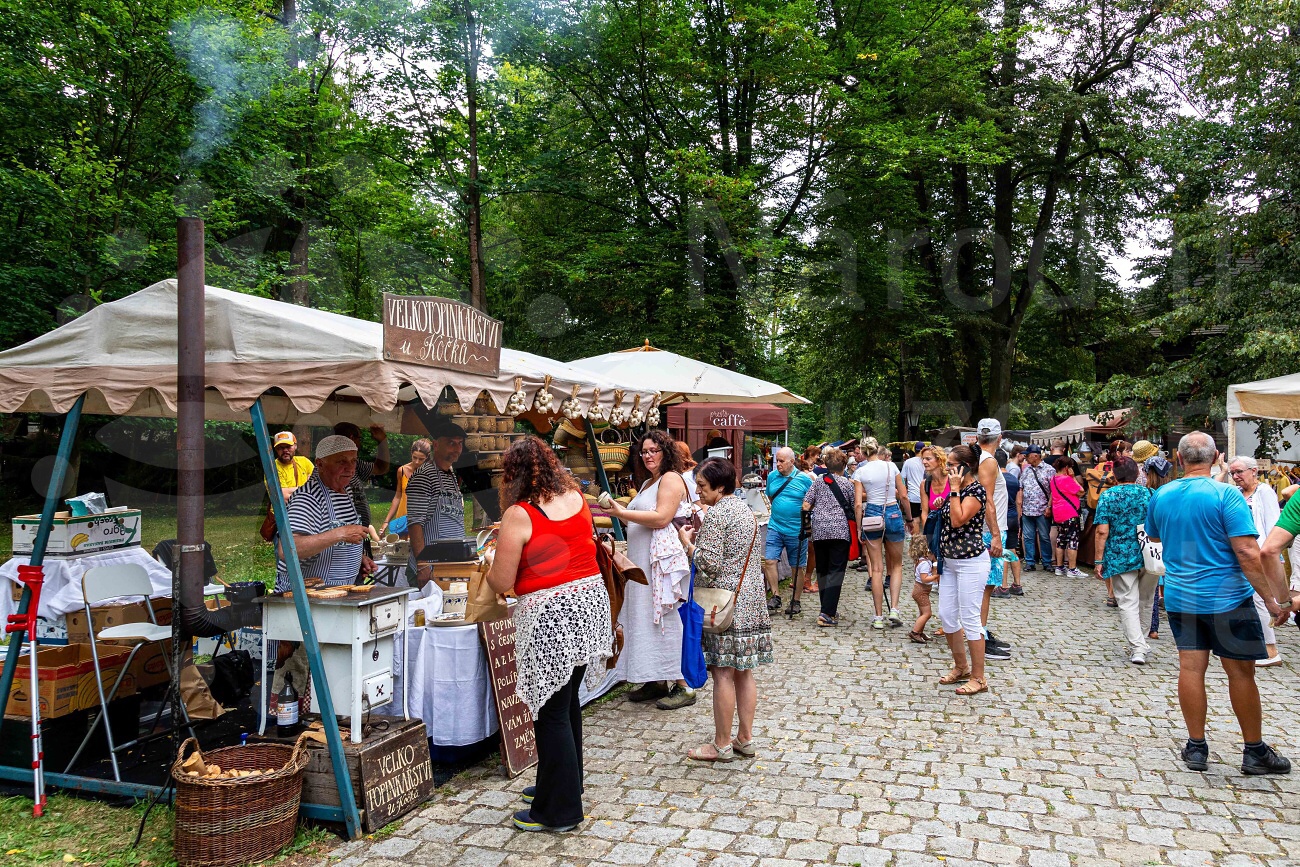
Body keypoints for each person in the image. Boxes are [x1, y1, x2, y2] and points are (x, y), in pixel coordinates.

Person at [485, 437, 612, 832]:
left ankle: (559, 811)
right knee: (567, 702)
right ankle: (565, 785)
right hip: (589, 605)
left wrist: (490, 561)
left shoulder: (519, 514)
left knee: (550, 712)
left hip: (552, 615)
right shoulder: (575, 497)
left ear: (514, 474)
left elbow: (501, 580)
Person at [1147, 431, 1292, 776]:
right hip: (1227, 598)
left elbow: (1154, 535)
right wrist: (1272, 600)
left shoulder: (1162, 494)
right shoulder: (1226, 494)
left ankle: (1196, 747)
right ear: (1215, 459)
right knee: (1240, 672)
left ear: (1179, 459)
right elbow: (1247, 551)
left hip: (1182, 596)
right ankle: (1254, 751)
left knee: (1190, 668)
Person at [271, 435, 378, 705]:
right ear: (319, 464)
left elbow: (332, 538)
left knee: (331, 685)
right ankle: (295, 725)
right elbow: (287, 548)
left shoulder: (343, 492)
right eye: (341, 462)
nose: (350, 468)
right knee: (298, 684)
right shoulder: (308, 499)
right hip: (306, 607)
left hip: (333, 603)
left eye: (353, 461)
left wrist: (358, 557)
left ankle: (329, 719)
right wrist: (340, 534)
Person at [677, 457, 772, 761]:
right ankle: (745, 738)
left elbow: (709, 563)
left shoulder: (717, 514)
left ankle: (721, 744)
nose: (698, 491)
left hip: (724, 605)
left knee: (722, 674)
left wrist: (687, 543)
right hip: (750, 601)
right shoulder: (744, 509)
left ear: (720, 486)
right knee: (744, 672)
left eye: (703, 485)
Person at [602, 429, 695, 710]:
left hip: (660, 565)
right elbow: (639, 520)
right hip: (643, 563)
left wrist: (621, 512)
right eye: (644, 451)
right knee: (647, 620)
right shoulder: (646, 483)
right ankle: (656, 679)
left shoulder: (670, 478)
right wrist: (618, 515)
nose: (648, 456)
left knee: (667, 620)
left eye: (654, 450)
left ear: (666, 452)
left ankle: (684, 685)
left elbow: (661, 518)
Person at [935, 445, 990, 696]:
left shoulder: (976, 490)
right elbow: (951, 516)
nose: (947, 468)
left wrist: (954, 490)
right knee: (947, 615)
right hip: (950, 561)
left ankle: (979, 678)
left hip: (971, 562)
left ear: (966, 467)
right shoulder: (956, 490)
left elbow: (959, 520)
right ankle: (961, 667)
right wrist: (943, 502)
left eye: (951, 464)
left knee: (970, 619)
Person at [1093, 457, 1155, 664]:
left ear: (1115, 475)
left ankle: (1138, 647)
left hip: (1120, 554)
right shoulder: (1150, 494)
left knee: (1128, 602)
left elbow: (1102, 531)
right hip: (1148, 553)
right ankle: (1141, 643)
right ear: (1137, 474)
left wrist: (1098, 560)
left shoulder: (1108, 496)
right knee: (1146, 600)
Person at [1230, 456, 1284, 666]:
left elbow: (1273, 525)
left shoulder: (1264, 492)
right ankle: (1250, 644)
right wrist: (1223, 470)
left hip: (1260, 552)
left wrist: (1273, 554)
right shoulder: (1235, 493)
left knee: (1261, 599)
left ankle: (1271, 650)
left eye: (1239, 472)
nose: (1236, 476)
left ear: (1254, 471)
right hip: (1239, 554)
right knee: (1244, 599)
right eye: (1233, 473)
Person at [853, 439, 910, 629]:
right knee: (896, 565)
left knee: (876, 569)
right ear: (877, 449)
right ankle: (894, 609)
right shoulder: (890, 466)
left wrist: (859, 528)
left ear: (862, 452)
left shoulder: (860, 472)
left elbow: (858, 504)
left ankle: (878, 616)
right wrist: (910, 518)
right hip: (892, 511)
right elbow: (903, 495)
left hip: (872, 515)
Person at [407, 423, 468, 589]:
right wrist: (422, 564)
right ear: (436, 445)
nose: (456, 449)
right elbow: (415, 523)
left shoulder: (450, 474)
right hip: (431, 568)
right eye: (451, 443)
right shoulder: (424, 476)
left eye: (459, 443)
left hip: (448, 565)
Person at [801, 448, 856, 626]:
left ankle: (827, 608)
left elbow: (806, 505)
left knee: (823, 570)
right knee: (836, 571)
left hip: (819, 530)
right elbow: (853, 506)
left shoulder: (818, 481)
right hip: (840, 531)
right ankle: (827, 612)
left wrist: (807, 526)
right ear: (844, 466)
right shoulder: (847, 484)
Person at [974, 420, 1011, 660]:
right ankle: (980, 638)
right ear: (999, 438)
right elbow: (986, 499)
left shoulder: (980, 459)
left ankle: (982, 631)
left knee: (984, 587)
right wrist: (996, 535)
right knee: (985, 587)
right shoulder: (988, 461)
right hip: (989, 531)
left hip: (987, 529)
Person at [764, 447, 813, 615]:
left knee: (797, 566)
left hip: (796, 530)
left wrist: (806, 524)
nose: (778, 464)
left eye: (781, 461)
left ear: (792, 462)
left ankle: (796, 600)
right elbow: (771, 497)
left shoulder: (804, 479)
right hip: (775, 526)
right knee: (770, 560)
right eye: (776, 461)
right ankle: (775, 596)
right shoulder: (772, 477)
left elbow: (811, 501)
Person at [332, 422, 391, 532]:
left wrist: (382, 441)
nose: (360, 443)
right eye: (359, 438)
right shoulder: (328, 467)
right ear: (352, 438)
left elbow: (381, 468)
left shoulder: (355, 464)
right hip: (344, 534)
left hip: (357, 533)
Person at [380, 438, 430, 538]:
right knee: (402, 546)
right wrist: (386, 521)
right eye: (414, 457)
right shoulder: (402, 470)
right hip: (403, 519)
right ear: (411, 454)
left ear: (427, 457)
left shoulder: (431, 473)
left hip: (422, 520)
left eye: (421, 459)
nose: (417, 462)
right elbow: (398, 496)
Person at [992, 451, 1024, 598]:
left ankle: (1003, 586)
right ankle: (1017, 584)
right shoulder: (1014, 479)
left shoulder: (995, 478)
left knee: (1002, 551)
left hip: (1001, 517)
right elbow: (1019, 501)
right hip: (1013, 516)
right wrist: (1018, 519)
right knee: (1012, 550)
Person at [1019, 445, 1055, 573]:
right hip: (1027, 509)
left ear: (1035, 456)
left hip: (1042, 509)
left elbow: (1053, 490)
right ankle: (1030, 562)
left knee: (1044, 537)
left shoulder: (1049, 470)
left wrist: (1049, 507)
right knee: (1028, 537)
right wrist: (1020, 506)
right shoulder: (1026, 470)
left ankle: (1047, 562)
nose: (1025, 458)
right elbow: (1021, 488)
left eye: (1027, 455)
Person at [1050, 456, 1085, 577]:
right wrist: (1073, 477)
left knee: (1061, 540)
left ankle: (1059, 567)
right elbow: (1081, 491)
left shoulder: (1053, 479)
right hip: (1070, 512)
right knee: (1072, 540)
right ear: (1066, 467)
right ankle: (1072, 568)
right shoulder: (1067, 479)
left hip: (1058, 513)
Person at [909, 534, 939, 642]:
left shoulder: (921, 561)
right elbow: (924, 578)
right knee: (927, 613)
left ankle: (920, 632)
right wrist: (935, 576)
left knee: (923, 613)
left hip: (921, 591)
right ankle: (915, 632)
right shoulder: (924, 564)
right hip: (921, 591)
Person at [269, 431, 314, 501]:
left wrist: (290, 491)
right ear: (276, 449)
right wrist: (308, 487)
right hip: (284, 509)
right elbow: (283, 497)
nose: (285, 450)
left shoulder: (304, 462)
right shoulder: (272, 468)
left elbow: (320, 486)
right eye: (280, 448)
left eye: (288, 446)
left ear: (295, 446)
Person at [901, 442, 927, 536]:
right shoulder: (927, 461)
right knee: (926, 517)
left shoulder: (908, 462)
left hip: (913, 495)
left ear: (914, 450)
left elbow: (902, 478)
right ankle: (928, 540)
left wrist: (904, 491)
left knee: (915, 519)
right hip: (926, 494)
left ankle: (916, 541)